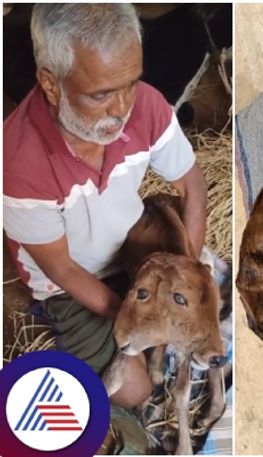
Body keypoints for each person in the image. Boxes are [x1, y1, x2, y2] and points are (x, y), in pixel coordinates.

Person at [3, 4, 208, 408]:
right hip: (70, 279)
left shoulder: (145, 105)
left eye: (130, 83)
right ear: (50, 84)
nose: (121, 109)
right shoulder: (17, 165)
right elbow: (61, 268)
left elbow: (192, 185)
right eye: (101, 95)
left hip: (130, 241)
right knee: (136, 390)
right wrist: (139, 315)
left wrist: (187, 271)